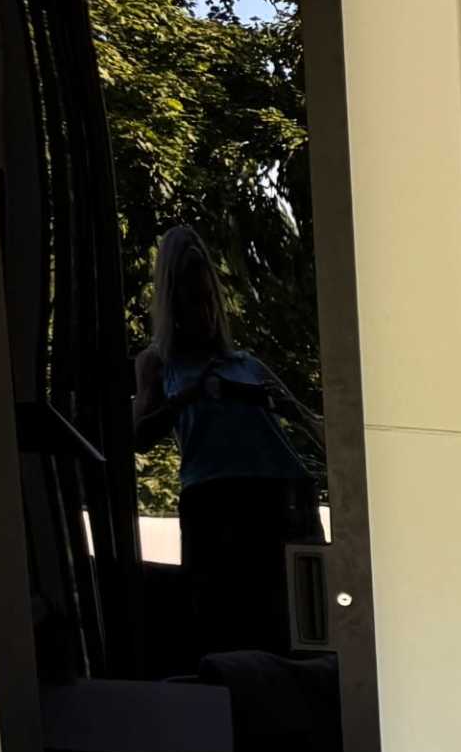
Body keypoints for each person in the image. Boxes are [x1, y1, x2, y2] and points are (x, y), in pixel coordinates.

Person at [130, 222, 322, 656]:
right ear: (171, 300)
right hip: (215, 503)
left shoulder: (247, 365)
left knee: (293, 630)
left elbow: (308, 421)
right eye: (191, 298)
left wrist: (272, 402)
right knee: (223, 631)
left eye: (207, 298)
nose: (203, 310)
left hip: (280, 498)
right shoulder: (158, 364)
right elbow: (139, 436)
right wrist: (190, 398)